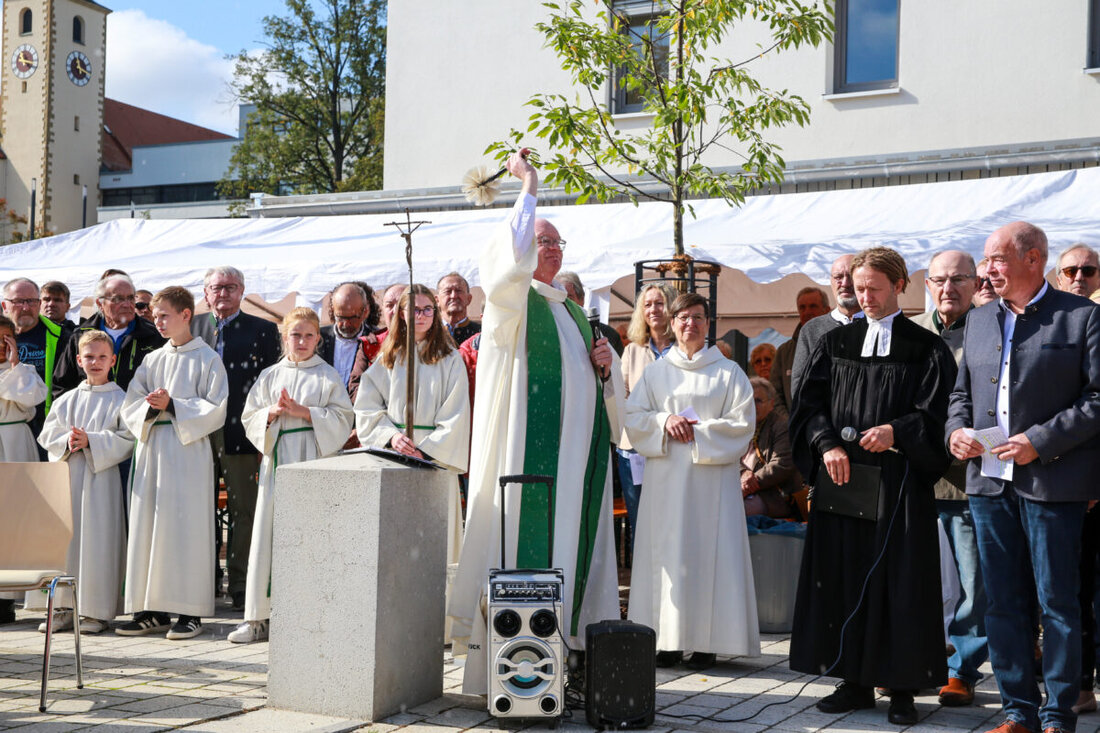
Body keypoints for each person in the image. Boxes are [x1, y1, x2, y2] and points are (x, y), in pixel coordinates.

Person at [449, 150, 623, 695]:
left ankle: (565, 664)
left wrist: (605, 371)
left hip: (574, 470)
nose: (548, 251)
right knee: (524, 556)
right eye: (542, 241)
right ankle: (513, 673)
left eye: (555, 244)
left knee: (571, 553)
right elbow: (505, 265)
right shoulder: (512, 305)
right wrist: (529, 189)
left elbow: (597, 388)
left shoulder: (570, 310)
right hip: (527, 466)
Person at [789, 247, 955, 727]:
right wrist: (826, 446)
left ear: (899, 285)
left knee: (901, 582)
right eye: (859, 288)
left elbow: (939, 414)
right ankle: (855, 681)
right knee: (845, 574)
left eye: (874, 289)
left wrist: (897, 432)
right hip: (843, 480)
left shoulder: (926, 349)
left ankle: (903, 687)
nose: (865, 297)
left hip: (899, 483)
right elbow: (808, 405)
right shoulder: (835, 343)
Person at [948, 221, 1100, 733]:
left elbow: (1097, 399)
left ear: (1034, 259)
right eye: (986, 259)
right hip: (989, 482)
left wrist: (1041, 440)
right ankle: (1018, 711)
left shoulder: (1082, 318)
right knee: (1002, 601)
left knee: (1057, 602)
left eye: (996, 258)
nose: (987, 269)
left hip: (1053, 483)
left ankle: (1058, 715)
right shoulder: (978, 320)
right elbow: (960, 394)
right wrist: (956, 432)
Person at [625, 292, 758, 670]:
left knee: (709, 555)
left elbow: (742, 425)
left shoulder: (728, 372)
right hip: (666, 481)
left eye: (697, 317)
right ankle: (665, 640)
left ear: (707, 322)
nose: (690, 324)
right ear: (672, 322)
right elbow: (634, 418)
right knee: (666, 557)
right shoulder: (656, 372)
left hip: (711, 483)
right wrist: (664, 422)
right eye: (682, 317)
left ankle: (707, 642)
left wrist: (699, 433)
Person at [229, 308, 354, 644]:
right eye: (295, 335)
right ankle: (259, 617)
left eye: (309, 335)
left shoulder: (327, 377)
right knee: (268, 534)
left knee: (311, 536)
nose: (301, 342)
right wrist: (270, 413)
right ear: (284, 337)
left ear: (318, 339)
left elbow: (343, 420)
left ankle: (310, 615)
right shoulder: (270, 376)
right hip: (277, 465)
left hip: (313, 463)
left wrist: (304, 413)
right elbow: (249, 416)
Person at [118, 286, 228, 640]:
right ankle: (152, 609)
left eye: (165, 315)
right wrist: (151, 407)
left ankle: (190, 611)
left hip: (188, 450)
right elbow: (130, 404)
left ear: (185, 315)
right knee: (151, 524)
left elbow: (217, 407)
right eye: (155, 315)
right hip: (153, 448)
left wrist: (174, 405)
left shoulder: (207, 358)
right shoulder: (152, 359)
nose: (158, 321)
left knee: (186, 528)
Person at [912, 249, 987, 707]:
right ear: (927, 284)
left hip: (969, 478)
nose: (948, 287)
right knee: (913, 577)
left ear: (976, 282)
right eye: (939, 279)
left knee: (975, 583)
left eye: (959, 278)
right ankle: (914, 663)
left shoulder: (992, 327)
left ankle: (963, 669)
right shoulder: (910, 332)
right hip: (914, 477)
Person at [355, 284, 470, 567]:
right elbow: (368, 407)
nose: (421, 316)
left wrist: (426, 450)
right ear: (402, 314)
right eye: (413, 309)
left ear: (435, 312)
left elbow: (456, 414)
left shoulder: (450, 359)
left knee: (434, 543)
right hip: (396, 458)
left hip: (434, 462)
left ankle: (439, 606)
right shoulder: (389, 357)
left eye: (427, 309)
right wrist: (392, 437)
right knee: (399, 541)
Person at [191, 266, 281, 610]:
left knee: (244, 510)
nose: (223, 293)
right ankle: (203, 580)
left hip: (243, 433)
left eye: (231, 287)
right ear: (206, 292)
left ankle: (240, 584)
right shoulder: (193, 326)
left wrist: (263, 435)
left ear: (242, 291)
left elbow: (269, 384)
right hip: (197, 432)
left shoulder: (263, 329)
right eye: (217, 288)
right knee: (199, 509)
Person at [33, 331, 132, 634]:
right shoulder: (67, 399)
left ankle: (96, 611)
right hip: (69, 478)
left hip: (101, 480)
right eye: (89, 356)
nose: (96, 362)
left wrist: (93, 441)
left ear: (113, 360)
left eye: (102, 357)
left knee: (98, 540)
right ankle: (63, 607)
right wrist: (68, 440)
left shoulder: (122, 399)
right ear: (78, 360)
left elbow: (128, 438)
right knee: (67, 540)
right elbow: (47, 434)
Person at [1053, 243, 1100, 715]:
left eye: (1089, 269)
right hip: (1074, 482)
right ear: (1058, 274)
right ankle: (1079, 685)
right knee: (1076, 588)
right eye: (1072, 270)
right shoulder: (1053, 322)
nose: (1081, 276)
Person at [618, 282, 678, 558]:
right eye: (648, 304)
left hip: (674, 446)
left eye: (659, 303)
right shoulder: (631, 351)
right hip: (635, 448)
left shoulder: (683, 349)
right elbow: (622, 397)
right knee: (640, 520)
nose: (654, 309)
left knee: (672, 517)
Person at [53, 273, 164, 398]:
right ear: (100, 303)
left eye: (130, 298)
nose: (127, 304)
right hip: (90, 415)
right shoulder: (80, 336)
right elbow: (62, 384)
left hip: (137, 414)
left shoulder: (154, 335)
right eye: (118, 299)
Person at [789, 255, 864, 400]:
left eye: (851, 276)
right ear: (830, 282)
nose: (845, 283)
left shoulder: (879, 325)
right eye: (838, 277)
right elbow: (799, 384)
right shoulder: (811, 330)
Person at [3, 277, 72, 426]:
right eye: (18, 301)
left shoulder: (64, 338)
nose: (26, 307)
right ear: (4, 305)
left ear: (39, 304)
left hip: (48, 425)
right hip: (7, 428)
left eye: (31, 301)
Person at [741, 377, 799, 518]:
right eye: (749, 400)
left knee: (734, 510)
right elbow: (729, 455)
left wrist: (750, 483)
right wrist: (743, 472)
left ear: (771, 403)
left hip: (773, 495)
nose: (752, 405)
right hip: (741, 488)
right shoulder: (741, 425)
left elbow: (782, 464)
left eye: (758, 401)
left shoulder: (782, 426)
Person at [771, 286, 829, 413]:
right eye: (802, 307)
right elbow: (775, 395)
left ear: (827, 310)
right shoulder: (784, 352)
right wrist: (790, 424)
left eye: (813, 306)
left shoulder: (840, 344)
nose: (807, 312)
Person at [0, 313, 47, 461]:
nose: (2, 344)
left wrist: (15, 365)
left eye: (6, 338)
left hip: (18, 441)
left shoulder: (26, 371)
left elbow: (34, 397)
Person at [320, 281, 375, 390]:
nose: (346, 323)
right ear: (332, 310)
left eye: (353, 317)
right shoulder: (317, 338)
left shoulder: (375, 340)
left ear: (365, 312)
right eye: (340, 317)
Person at [557, 271, 624, 356]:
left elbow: (618, 368)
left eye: (569, 299)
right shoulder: (549, 332)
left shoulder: (606, 335)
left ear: (582, 299)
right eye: (558, 299)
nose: (563, 304)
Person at [436, 273, 481, 345]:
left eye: (459, 291)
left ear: (469, 299)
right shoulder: (427, 332)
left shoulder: (481, 333)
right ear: (437, 300)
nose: (453, 296)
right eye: (448, 291)